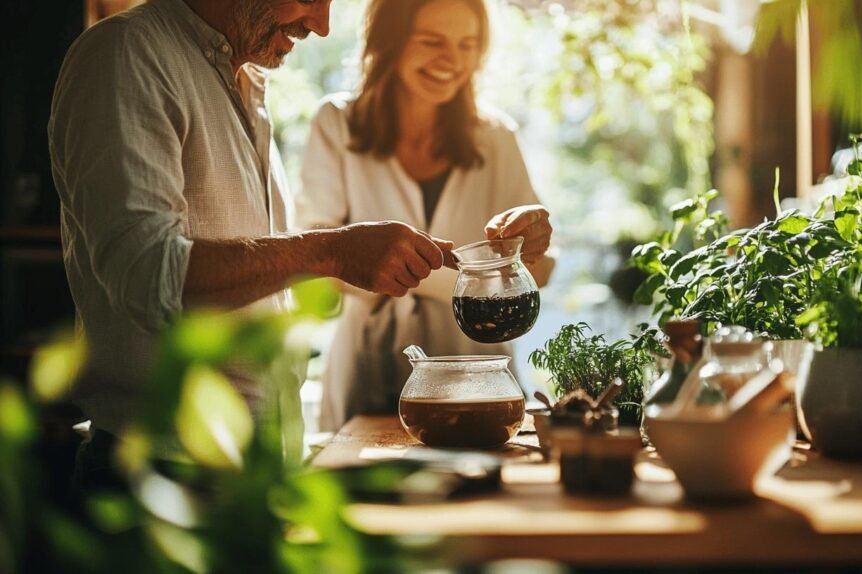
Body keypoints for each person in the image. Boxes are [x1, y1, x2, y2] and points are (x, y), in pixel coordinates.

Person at [48, 0, 455, 489]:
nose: (321, 26)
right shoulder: (127, 54)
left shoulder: (243, 78)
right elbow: (149, 273)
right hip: (163, 480)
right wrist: (333, 252)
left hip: (252, 469)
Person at [297, 0, 555, 430]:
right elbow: (316, 264)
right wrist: (474, 279)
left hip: (480, 383)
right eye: (432, 41)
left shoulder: (497, 140)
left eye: (467, 44)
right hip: (366, 372)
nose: (451, 61)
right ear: (389, 41)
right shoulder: (336, 124)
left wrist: (535, 239)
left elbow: (539, 273)